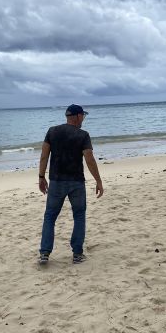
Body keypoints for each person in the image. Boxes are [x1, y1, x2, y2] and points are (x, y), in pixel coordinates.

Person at [38, 104, 104, 265]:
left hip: (56, 182)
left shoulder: (52, 131)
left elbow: (44, 156)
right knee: (79, 216)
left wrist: (41, 177)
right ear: (77, 116)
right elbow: (89, 159)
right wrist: (98, 180)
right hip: (76, 182)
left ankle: (45, 253)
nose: (84, 119)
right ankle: (77, 254)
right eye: (83, 116)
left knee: (50, 216)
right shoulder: (83, 135)